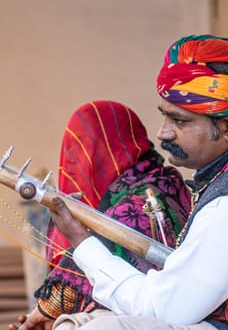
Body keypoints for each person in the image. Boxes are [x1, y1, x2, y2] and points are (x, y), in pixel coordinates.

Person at [11, 34, 228, 330]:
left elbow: (166, 309)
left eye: (180, 121)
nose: (163, 134)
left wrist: (82, 242)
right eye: (165, 118)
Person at [41, 100, 192, 320]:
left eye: (87, 150)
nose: (78, 166)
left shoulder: (143, 202)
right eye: (72, 154)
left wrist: (48, 311)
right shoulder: (164, 182)